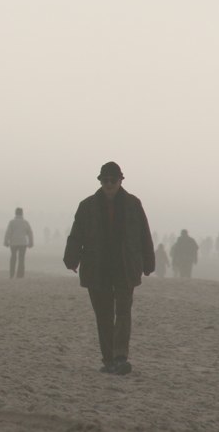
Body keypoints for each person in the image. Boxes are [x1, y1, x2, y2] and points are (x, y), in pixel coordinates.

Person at [64, 161, 154, 376]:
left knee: (123, 313)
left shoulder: (133, 204)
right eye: (105, 180)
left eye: (113, 180)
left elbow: (144, 234)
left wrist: (149, 262)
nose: (109, 184)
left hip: (125, 267)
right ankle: (109, 359)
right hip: (97, 268)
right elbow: (77, 234)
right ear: (100, 181)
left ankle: (120, 356)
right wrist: (71, 259)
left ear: (121, 180)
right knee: (103, 316)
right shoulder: (87, 206)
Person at [4, 207, 34, 279]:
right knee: (21, 259)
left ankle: (11, 274)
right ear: (22, 213)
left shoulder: (12, 222)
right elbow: (30, 233)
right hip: (23, 243)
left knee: (13, 258)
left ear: (15, 213)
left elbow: (8, 232)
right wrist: (31, 242)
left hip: (13, 243)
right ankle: (20, 275)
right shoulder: (25, 222)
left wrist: (6, 242)